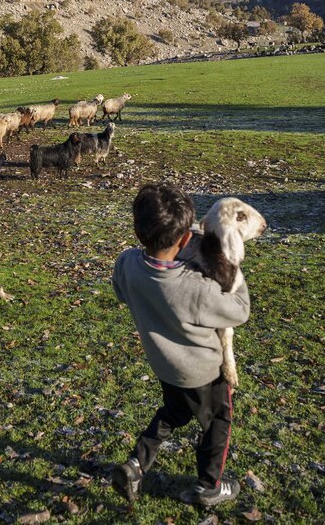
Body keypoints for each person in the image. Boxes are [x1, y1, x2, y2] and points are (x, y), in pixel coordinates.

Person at [110, 183, 250, 506]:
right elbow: (240, 310)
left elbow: (120, 291)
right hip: (203, 373)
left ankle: (135, 465)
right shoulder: (195, 288)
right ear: (187, 239)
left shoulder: (127, 263)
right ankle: (210, 485)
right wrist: (232, 266)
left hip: (164, 365)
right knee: (218, 421)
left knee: (174, 412)